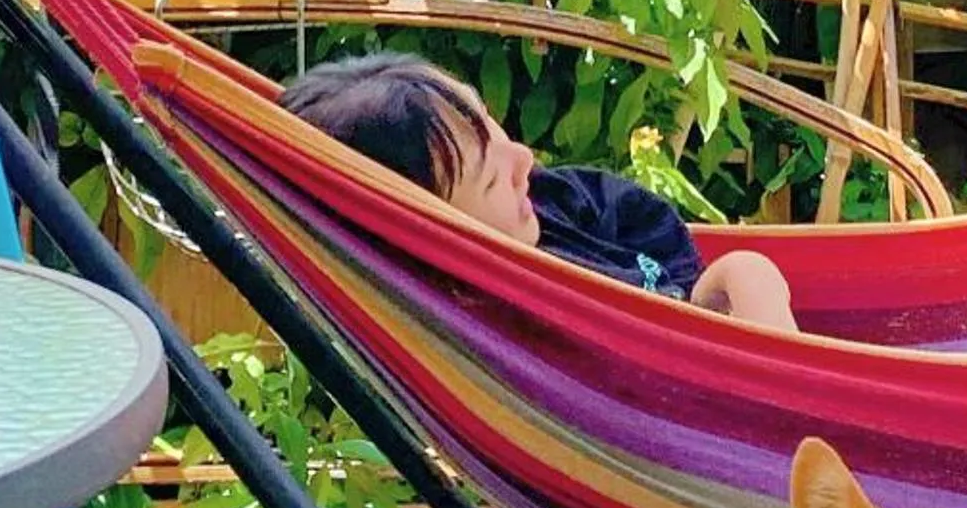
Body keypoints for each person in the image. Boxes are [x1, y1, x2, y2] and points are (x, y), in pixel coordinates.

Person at [281, 51, 801, 331]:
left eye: (497, 128)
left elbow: (645, 225)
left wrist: (700, 293)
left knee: (750, 270)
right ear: (434, 237)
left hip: (697, 328)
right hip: (684, 416)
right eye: (491, 178)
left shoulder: (554, 205)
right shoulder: (502, 328)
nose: (524, 160)